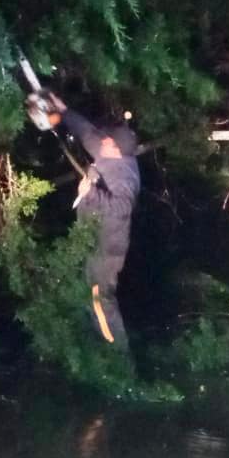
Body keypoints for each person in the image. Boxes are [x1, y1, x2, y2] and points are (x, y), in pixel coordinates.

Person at [42, 92, 140, 352]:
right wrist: (63, 111)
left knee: (99, 298)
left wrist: (91, 194)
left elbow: (121, 208)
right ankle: (92, 347)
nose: (102, 140)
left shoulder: (124, 176)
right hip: (90, 238)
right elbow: (88, 134)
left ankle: (118, 356)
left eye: (107, 141)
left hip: (106, 250)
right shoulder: (110, 153)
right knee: (83, 292)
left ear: (116, 149)